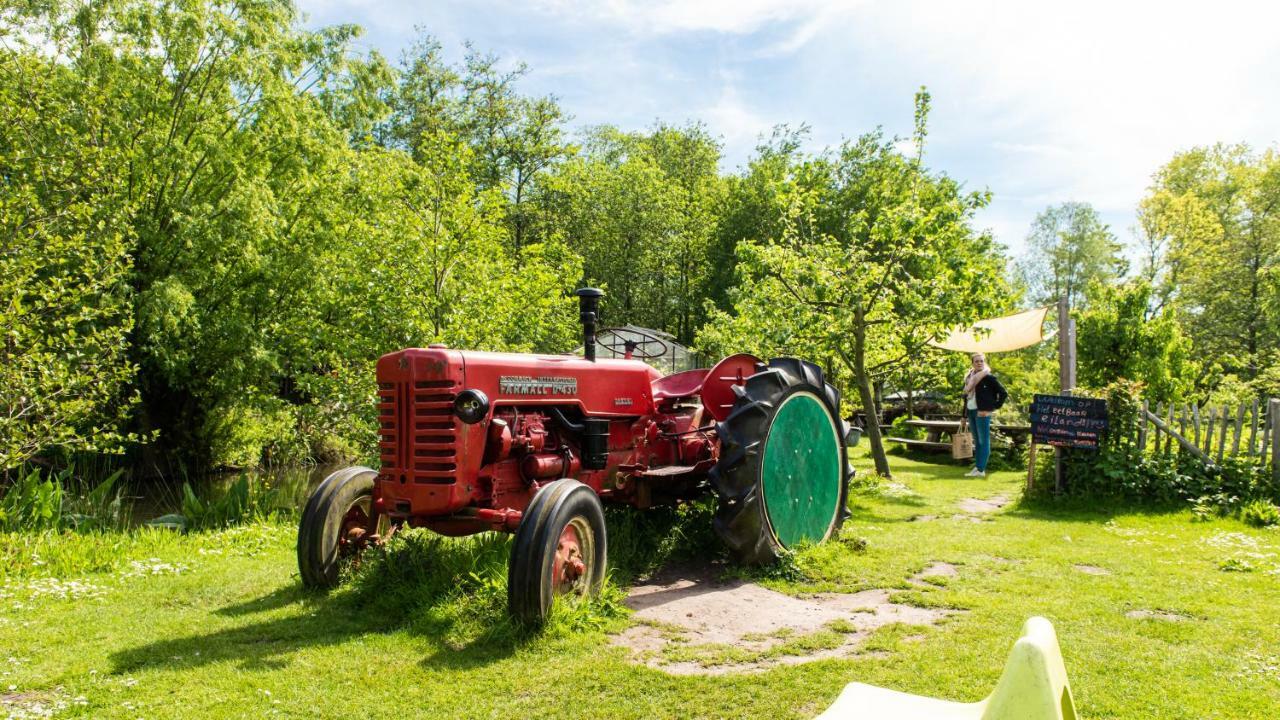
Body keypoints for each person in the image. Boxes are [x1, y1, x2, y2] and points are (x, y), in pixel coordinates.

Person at [961, 352, 1008, 477]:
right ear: (972, 363)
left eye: (981, 361)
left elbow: (1003, 393)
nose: (979, 363)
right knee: (977, 441)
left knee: (983, 441)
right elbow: (965, 398)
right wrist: (964, 416)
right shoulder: (969, 378)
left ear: (984, 362)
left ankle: (980, 469)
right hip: (971, 411)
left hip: (982, 412)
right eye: (976, 361)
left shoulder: (989, 377)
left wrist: (992, 408)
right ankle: (978, 468)